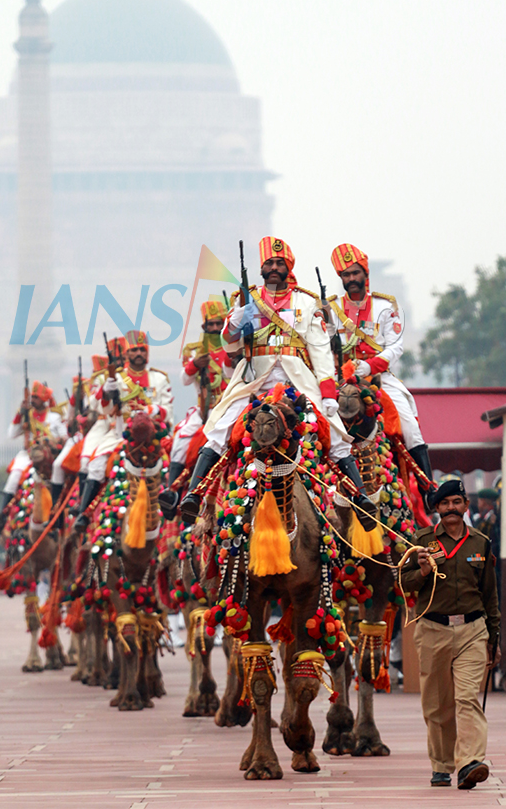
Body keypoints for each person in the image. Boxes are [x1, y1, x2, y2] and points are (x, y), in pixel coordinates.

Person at [181, 236, 377, 528]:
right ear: (261, 268)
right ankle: (193, 494)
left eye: (279, 263)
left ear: (288, 267)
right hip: (255, 382)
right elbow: (231, 349)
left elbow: (321, 350)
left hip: (297, 381)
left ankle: (360, 499)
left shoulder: (307, 301)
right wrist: (233, 324)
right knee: (221, 426)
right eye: (269, 263)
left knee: (334, 433)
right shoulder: (245, 299)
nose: (274, 267)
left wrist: (328, 393)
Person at [400, 477, 501, 790]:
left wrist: (494, 638)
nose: (451, 509)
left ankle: (470, 761)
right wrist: (423, 571)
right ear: (437, 509)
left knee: (467, 698)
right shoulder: (421, 541)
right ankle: (442, 765)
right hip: (433, 629)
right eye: (444, 504)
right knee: (438, 704)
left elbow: (490, 594)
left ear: (466, 506)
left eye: (456, 502)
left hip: (473, 629)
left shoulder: (481, 543)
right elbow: (403, 585)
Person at [325, 243, 433, 486]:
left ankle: (429, 489)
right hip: (340, 381)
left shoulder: (385, 307)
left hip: (379, 379)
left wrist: (369, 366)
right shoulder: (330, 309)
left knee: (409, 426)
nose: (351, 279)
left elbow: (396, 347)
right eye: (346, 275)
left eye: (355, 273)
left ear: (365, 274)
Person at [75, 331, 174, 527]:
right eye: (134, 350)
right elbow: (101, 408)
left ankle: (175, 507)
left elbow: (168, 412)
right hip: (121, 434)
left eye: (142, 350)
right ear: (127, 354)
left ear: (147, 353)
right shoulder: (117, 379)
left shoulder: (159, 379)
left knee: (176, 461)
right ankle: (84, 515)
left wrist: (151, 409)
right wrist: (106, 390)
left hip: (155, 434)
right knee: (95, 466)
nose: (139, 353)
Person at [160, 299, 233, 518]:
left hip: (231, 405)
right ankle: (172, 492)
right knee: (181, 440)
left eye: (218, 323)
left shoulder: (234, 345)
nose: (214, 328)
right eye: (210, 325)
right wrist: (195, 365)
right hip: (205, 410)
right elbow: (183, 379)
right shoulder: (195, 351)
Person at [0, 380, 67, 514]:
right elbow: (11, 434)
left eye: (36, 397)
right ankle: (3, 513)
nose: (33, 400)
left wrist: (50, 443)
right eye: (32, 397)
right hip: (29, 454)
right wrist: (19, 415)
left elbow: (64, 437)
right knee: (15, 476)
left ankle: (55, 505)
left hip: (49, 454)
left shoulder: (53, 417)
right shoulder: (27, 416)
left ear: (43, 399)